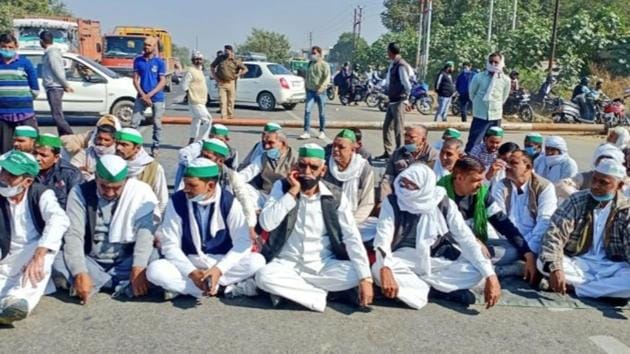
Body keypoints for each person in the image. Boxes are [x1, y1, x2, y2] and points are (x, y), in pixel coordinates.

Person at [255, 144, 374, 312]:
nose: (307, 171)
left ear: (323, 171)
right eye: (302, 165)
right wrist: (292, 192)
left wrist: (365, 279)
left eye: (313, 167)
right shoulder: (282, 188)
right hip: (287, 263)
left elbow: (351, 236)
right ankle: (320, 295)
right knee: (263, 276)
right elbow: (267, 223)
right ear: (295, 166)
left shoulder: (335, 196)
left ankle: (294, 292)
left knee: (356, 274)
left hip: (322, 264)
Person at [372, 163, 501, 309]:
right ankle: (436, 290)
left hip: (435, 259)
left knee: (477, 271)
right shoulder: (392, 202)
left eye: (411, 186)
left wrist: (491, 276)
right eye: (403, 183)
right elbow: (383, 238)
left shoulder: (443, 203)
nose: (404, 189)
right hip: (403, 258)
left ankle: (419, 288)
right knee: (378, 269)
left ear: (425, 187)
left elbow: (465, 238)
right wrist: (385, 269)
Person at [147, 158, 265, 300]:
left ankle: (190, 288)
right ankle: (218, 288)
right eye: (185, 183)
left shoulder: (228, 202)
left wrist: (218, 270)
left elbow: (243, 242)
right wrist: (192, 272)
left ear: (210, 185)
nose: (186, 189)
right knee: (155, 271)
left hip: (221, 262)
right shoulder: (177, 201)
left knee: (256, 261)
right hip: (189, 262)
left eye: (192, 185)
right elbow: (170, 244)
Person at [53, 155, 158, 303]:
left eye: (116, 188)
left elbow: (145, 235)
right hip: (91, 260)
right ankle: (119, 285)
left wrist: (138, 268)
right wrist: (79, 272)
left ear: (125, 181)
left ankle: (95, 284)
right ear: (96, 177)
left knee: (156, 259)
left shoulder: (140, 193)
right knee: (54, 259)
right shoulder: (80, 192)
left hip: (126, 260)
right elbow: (74, 235)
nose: (109, 193)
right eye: (104, 186)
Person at [539, 159, 630, 303]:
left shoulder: (627, 210)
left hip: (612, 266)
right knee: (544, 262)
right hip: (577, 262)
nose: (595, 185)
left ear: (619, 185)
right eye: (594, 179)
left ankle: (575, 289)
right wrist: (556, 269)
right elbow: (554, 234)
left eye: (603, 182)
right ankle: (604, 291)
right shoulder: (577, 200)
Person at [0, 151, 69, 325]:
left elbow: (59, 220)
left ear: (27, 181)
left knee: (43, 260)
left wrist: (39, 252)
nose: (4, 177)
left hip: (32, 253)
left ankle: (12, 306)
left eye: (12, 175)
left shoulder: (41, 194)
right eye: (3, 172)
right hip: (4, 253)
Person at [437, 156, 534, 269]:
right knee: (455, 254)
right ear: (459, 178)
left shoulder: (481, 193)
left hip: (478, 243)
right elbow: (440, 233)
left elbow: (502, 222)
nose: (481, 185)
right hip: (451, 244)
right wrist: (474, 242)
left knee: (514, 250)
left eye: (481, 180)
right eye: (476, 180)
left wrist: (527, 253)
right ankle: (496, 271)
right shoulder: (440, 194)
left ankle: (480, 266)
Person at [491, 150, 557, 283]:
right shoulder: (501, 185)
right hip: (508, 240)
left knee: (493, 256)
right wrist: (521, 249)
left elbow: (544, 223)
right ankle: (519, 268)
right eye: (507, 162)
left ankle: (502, 270)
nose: (507, 166)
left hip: (534, 243)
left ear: (528, 167)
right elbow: (499, 221)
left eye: (513, 163)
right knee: (483, 251)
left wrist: (528, 252)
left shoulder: (544, 187)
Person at [323, 129, 375, 225]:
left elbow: (367, 203)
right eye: (334, 146)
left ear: (352, 150)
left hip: (354, 220)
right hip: (326, 218)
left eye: (341, 147)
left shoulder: (363, 168)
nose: (335, 150)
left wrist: (351, 224)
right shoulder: (324, 165)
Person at [0, 33, 39, 154]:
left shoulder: (25, 63)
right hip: (2, 114)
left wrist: (21, 100)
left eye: (10, 47)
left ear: (16, 46)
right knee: (5, 149)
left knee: (29, 147)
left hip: (24, 114)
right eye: (3, 46)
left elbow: (35, 89)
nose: (7, 49)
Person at [115, 128, 168, 215]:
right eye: (117, 143)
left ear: (137, 148)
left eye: (124, 145)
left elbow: (162, 200)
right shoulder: (110, 163)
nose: (118, 148)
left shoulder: (153, 168)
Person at [464, 52, 510, 153]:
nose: (493, 64)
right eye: (491, 62)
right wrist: (479, 105)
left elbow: (504, 97)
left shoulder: (506, 80)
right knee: (473, 142)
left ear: (501, 63)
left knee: (493, 143)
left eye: (496, 62)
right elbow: (472, 94)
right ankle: (468, 163)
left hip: (496, 115)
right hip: (480, 115)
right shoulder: (478, 77)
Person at [238, 131, 297, 208]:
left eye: (271, 143)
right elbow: (248, 173)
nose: (266, 146)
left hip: (284, 197)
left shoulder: (296, 158)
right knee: (242, 186)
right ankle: (257, 212)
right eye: (265, 143)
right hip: (266, 194)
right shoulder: (263, 157)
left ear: (283, 143)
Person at [130, 37, 166, 157]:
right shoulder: (138, 61)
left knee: (157, 123)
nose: (146, 47)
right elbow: (135, 80)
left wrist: (150, 95)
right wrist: (143, 95)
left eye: (149, 45)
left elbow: (162, 81)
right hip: (141, 95)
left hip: (157, 97)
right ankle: (132, 145)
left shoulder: (160, 63)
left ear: (154, 47)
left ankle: (156, 146)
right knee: (134, 122)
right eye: (145, 45)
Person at [376, 42, 412, 160]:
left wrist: (407, 99)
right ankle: (388, 151)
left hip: (399, 101)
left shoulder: (401, 65)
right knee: (386, 127)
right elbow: (388, 80)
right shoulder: (394, 64)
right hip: (392, 100)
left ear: (390, 52)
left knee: (398, 129)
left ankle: (399, 153)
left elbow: (407, 84)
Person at [380, 126, 438, 198]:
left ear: (423, 140)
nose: (406, 139)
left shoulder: (433, 156)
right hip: (398, 194)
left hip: (421, 196)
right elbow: (388, 177)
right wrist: (384, 199)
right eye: (406, 135)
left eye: (411, 137)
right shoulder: (398, 153)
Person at [555, 143, 626, 203]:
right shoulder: (586, 177)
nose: (596, 185)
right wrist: (585, 199)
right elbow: (561, 185)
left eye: (609, 159)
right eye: (602, 159)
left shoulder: (625, 180)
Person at [33, 133, 83, 208]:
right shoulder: (26, 171)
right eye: (35, 153)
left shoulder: (71, 174)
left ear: (56, 158)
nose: (37, 158)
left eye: (43, 155)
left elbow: (76, 205)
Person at [39, 30, 74, 136]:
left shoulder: (52, 53)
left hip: (54, 87)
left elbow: (58, 70)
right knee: (57, 115)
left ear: (41, 41)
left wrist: (65, 85)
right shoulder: (50, 52)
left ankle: (71, 136)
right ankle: (63, 138)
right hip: (52, 87)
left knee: (57, 116)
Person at [299, 46, 330, 140]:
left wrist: (321, 88)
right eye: (311, 53)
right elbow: (307, 77)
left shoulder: (324, 65)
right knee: (307, 111)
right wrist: (306, 87)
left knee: (322, 113)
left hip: (321, 92)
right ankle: (306, 131)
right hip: (310, 91)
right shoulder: (310, 64)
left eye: (314, 53)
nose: (312, 55)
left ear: (319, 54)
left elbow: (327, 78)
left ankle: (322, 131)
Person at [210, 45, 248, 119]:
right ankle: (223, 117)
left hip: (231, 82)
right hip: (221, 83)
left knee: (231, 100)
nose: (226, 52)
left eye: (227, 51)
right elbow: (212, 67)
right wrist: (216, 78)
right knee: (222, 101)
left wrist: (239, 74)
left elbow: (245, 69)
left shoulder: (235, 60)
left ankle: (230, 116)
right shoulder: (220, 58)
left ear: (231, 51)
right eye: (225, 51)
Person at [182, 51, 211, 144]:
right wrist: (190, 95)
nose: (198, 61)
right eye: (196, 59)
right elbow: (184, 85)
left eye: (200, 59)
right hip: (195, 100)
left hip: (201, 100)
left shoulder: (200, 70)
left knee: (196, 121)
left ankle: (192, 141)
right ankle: (203, 141)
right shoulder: (190, 71)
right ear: (192, 60)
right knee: (207, 120)